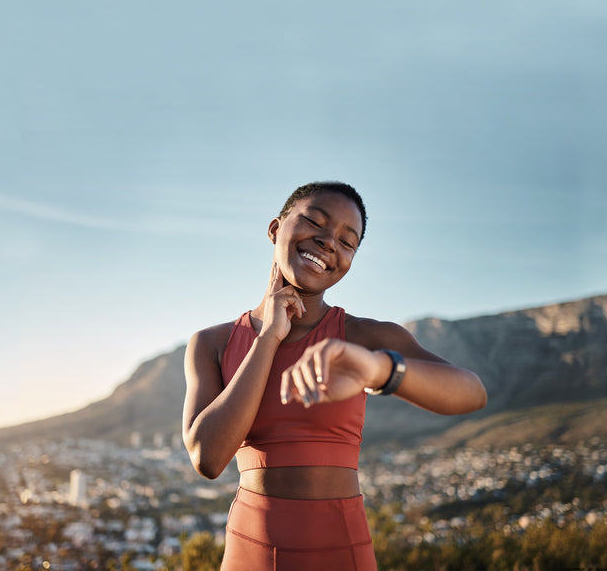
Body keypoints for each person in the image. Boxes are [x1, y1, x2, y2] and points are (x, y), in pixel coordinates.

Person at [183, 181, 487, 570]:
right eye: (315, 222)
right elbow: (207, 458)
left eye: (348, 242)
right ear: (276, 229)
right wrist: (268, 339)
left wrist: (378, 368)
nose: (329, 243)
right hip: (249, 551)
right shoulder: (212, 343)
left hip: (341, 549)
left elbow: (472, 392)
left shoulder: (364, 336)